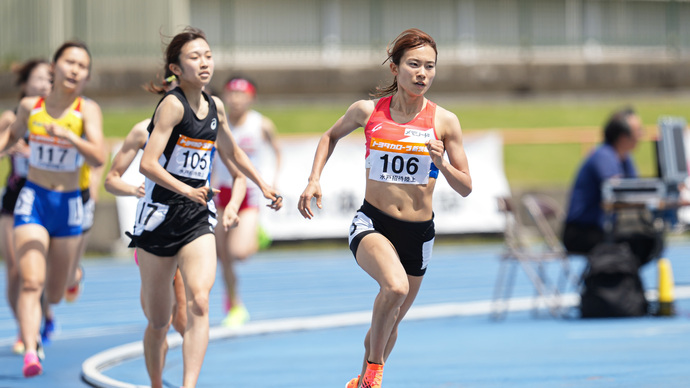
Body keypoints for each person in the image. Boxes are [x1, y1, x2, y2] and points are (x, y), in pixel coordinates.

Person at [298, 28, 472, 388]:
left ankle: (361, 380)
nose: (422, 73)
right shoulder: (367, 111)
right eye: (414, 65)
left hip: (418, 233)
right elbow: (329, 136)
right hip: (372, 223)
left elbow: (466, 187)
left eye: (430, 66)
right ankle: (374, 374)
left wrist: (443, 165)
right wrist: (314, 178)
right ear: (395, 68)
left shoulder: (445, 122)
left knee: (389, 323)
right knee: (394, 289)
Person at [129, 27, 281, 388]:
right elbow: (148, 164)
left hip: (197, 219)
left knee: (200, 301)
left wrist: (262, 183)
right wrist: (187, 189)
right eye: (195, 57)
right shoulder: (171, 105)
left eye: (208, 56)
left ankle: (188, 385)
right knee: (159, 321)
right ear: (176, 69)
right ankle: (155, 383)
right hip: (159, 217)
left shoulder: (216, 107)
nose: (204, 63)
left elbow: (233, 153)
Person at [0, 41, 106, 378]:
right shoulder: (31, 106)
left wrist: (68, 137)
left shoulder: (86, 110)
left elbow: (99, 157)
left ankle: (73, 276)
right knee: (31, 280)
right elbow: (11, 138)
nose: (75, 69)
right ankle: (31, 350)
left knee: (56, 292)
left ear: (87, 75)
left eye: (82, 65)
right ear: (54, 67)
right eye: (69, 62)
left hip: (69, 204)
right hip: (34, 200)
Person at [211, 75, 282, 327]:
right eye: (231, 93)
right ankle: (235, 304)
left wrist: (271, 180)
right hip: (222, 193)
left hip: (249, 193)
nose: (236, 99)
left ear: (252, 97)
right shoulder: (217, 123)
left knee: (238, 252)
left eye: (242, 94)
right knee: (222, 256)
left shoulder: (261, 124)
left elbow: (277, 151)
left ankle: (256, 233)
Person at [562, 107, 660, 266]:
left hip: (602, 228)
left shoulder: (625, 159)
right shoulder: (604, 156)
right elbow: (618, 190)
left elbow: (636, 189)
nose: (641, 135)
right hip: (581, 232)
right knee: (641, 242)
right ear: (623, 136)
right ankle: (617, 283)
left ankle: (624, 282)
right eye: (638, 131)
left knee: (649, 239)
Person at [0, 59, 52, 356]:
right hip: (14, 196)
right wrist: (8, 147)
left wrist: (33, 151)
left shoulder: (54, 115)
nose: (45, 84)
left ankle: (44, 316)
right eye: (39, 79)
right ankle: (25, 329)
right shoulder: (12, 116)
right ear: (25, 84)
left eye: (49, 79)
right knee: (15, 271)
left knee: (39, 273)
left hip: (45, 194)